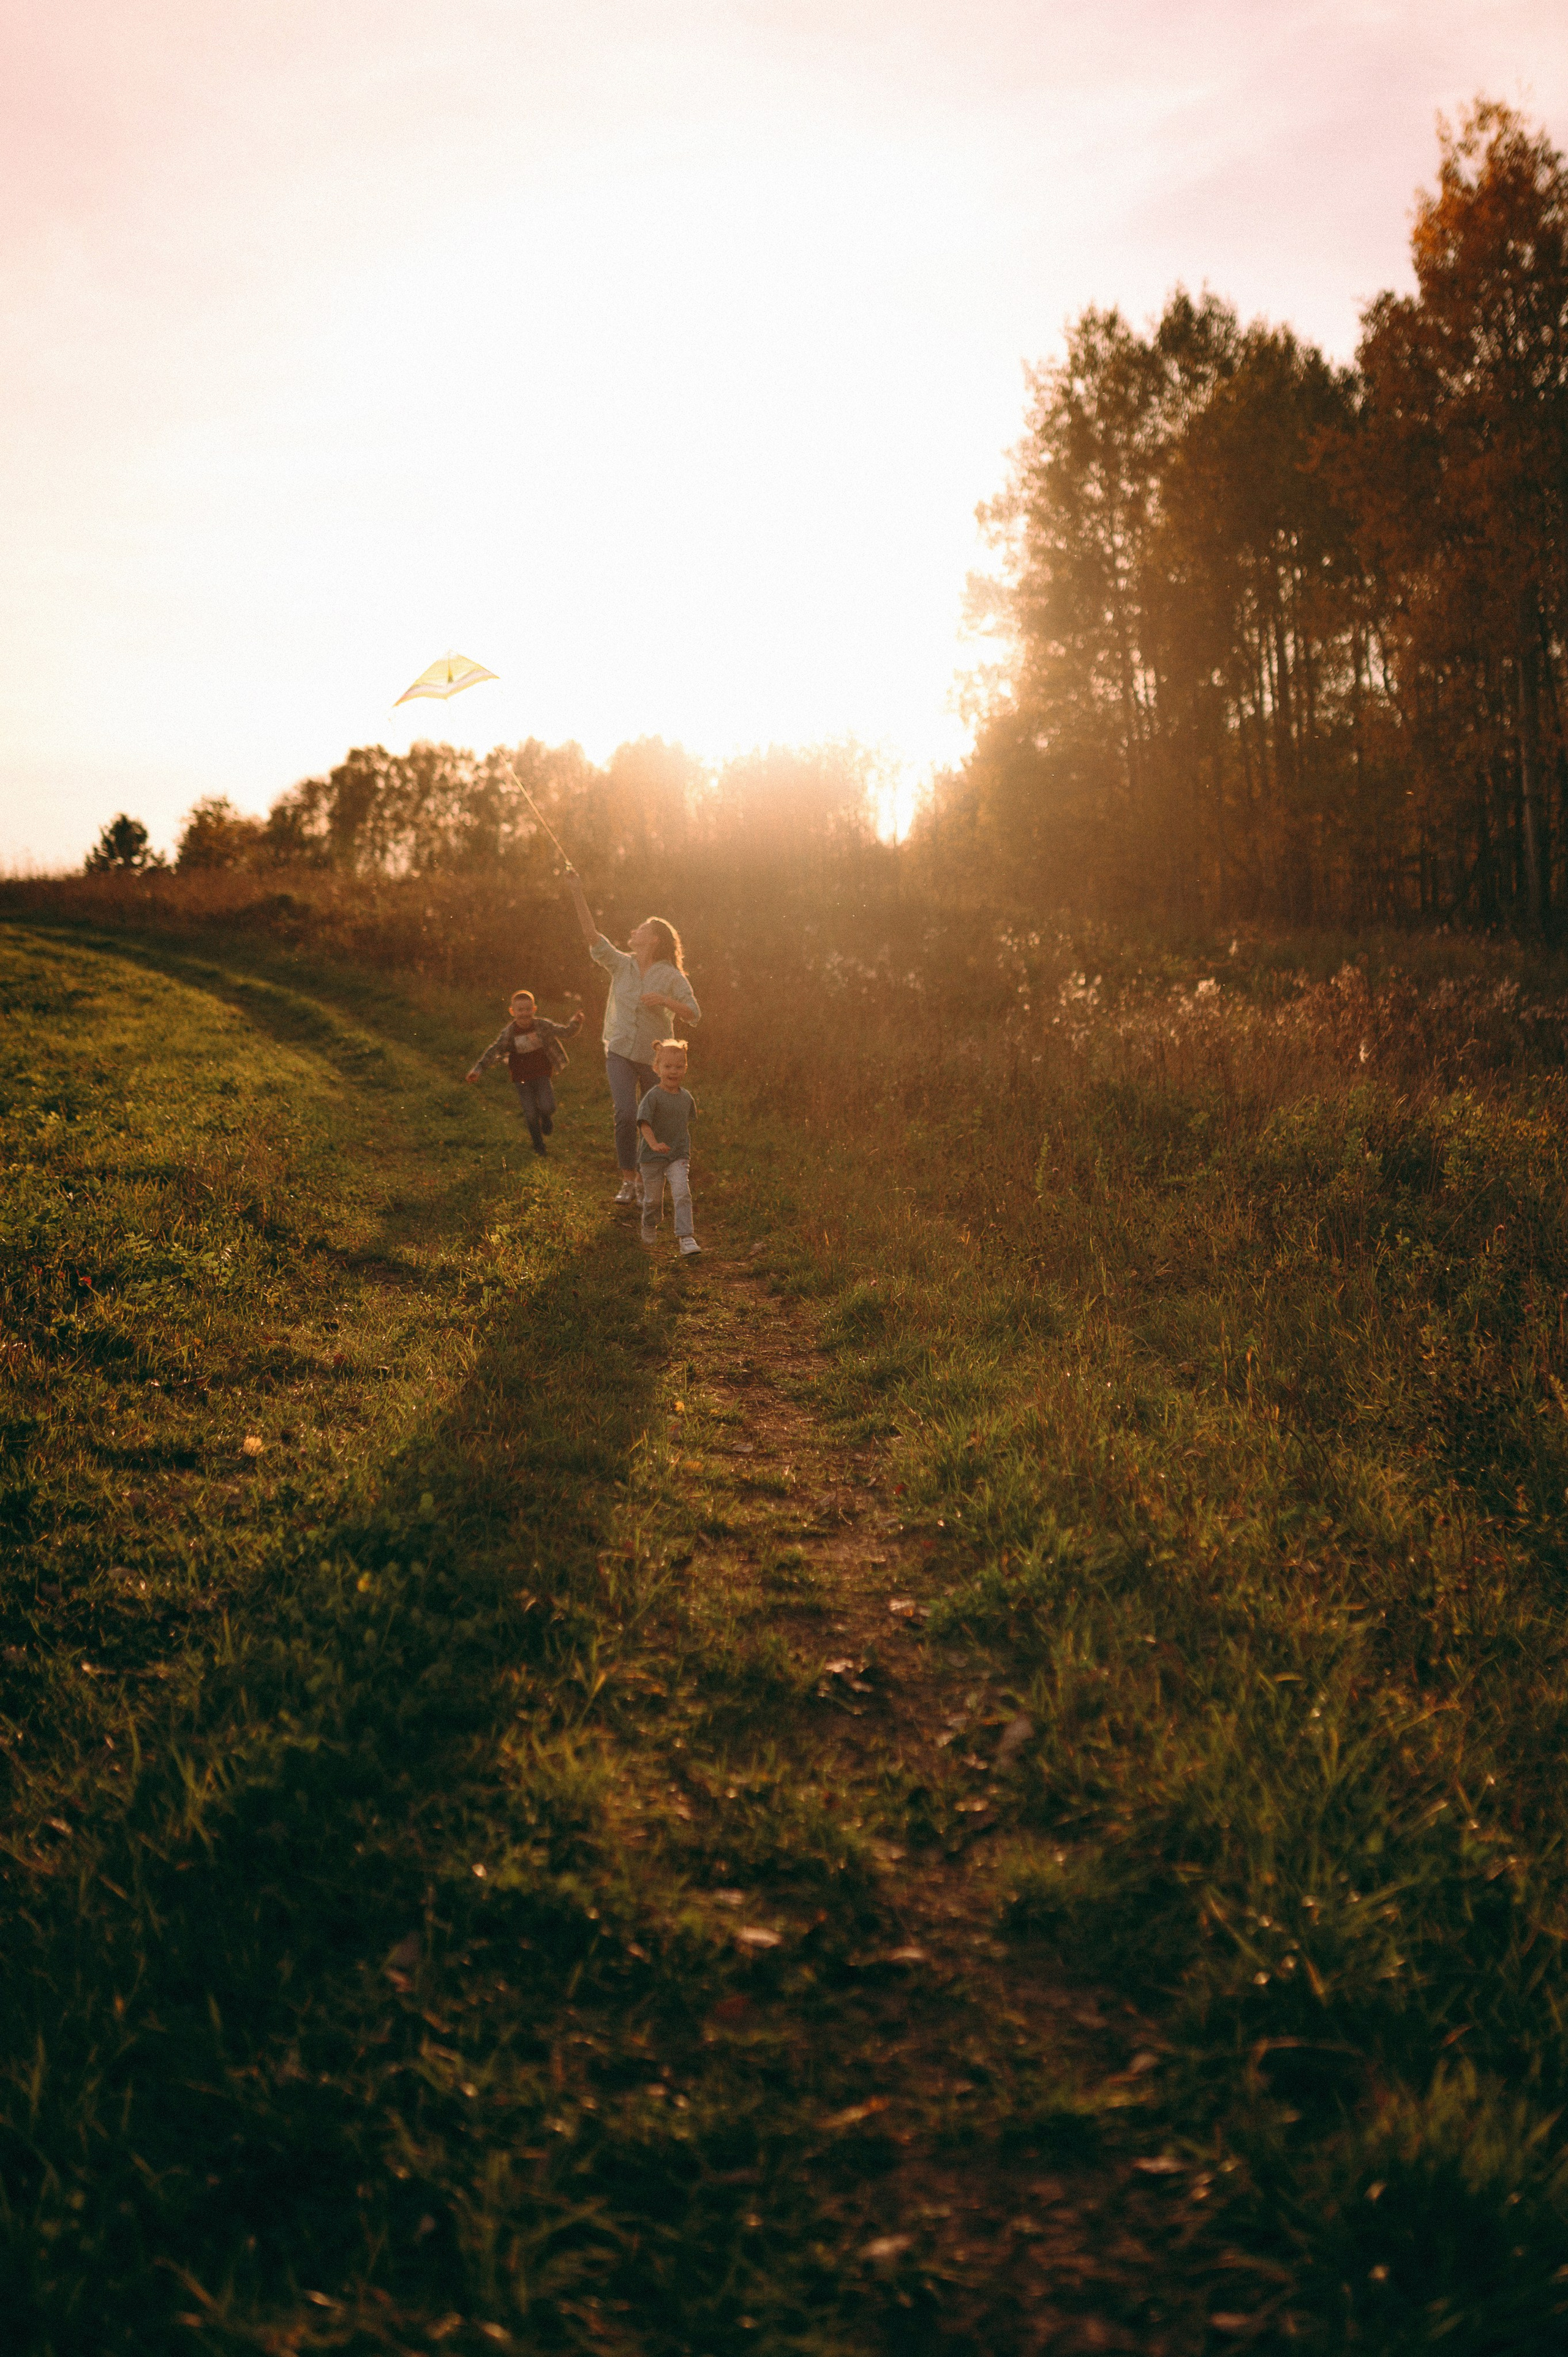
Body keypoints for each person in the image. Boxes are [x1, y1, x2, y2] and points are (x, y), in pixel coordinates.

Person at [561, 868, 701, 1204]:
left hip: (654, 1060)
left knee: (650, 1120)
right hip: (620, 1052)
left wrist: (665, 1000)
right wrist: (577, 891)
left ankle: (647, 1180)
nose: (633, 931)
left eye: (641, 928)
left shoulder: (670, 976)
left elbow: (694, 1014)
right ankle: (629, 1181)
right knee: (626, 1113)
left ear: (654, 939)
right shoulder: (620, 964)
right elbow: (592, 935)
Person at [465, 988, 584, 1155]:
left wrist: (576, 1022)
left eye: (528, 1009)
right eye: (520, 1010)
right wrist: (478, 1069)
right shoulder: (510, 1033)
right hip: (521, 1078)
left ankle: (546, 1117)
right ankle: (538, 1145)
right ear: (512, 1012)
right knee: (530, 1114)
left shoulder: (542, 1025)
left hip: (542, 1074)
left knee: (548, 1106)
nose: (524, 1014)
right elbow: (495, 1050)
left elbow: (565, 1032)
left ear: (534, 1009)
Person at [637, 1038, 700, 1257]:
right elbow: (644, 1124)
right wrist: (654, 1145)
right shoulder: (653, 1097)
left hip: (678, 1155)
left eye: (679, 1067)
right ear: (657, 1068)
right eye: (668, 1066)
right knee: (654, 1200)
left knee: (682, 1193)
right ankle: (649, 1223)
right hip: (651, 1156)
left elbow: (684, 1124)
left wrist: (679, 1146)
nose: (674, 1071)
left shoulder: (686, 1098)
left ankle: (686, 1238)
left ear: (685, 1069)